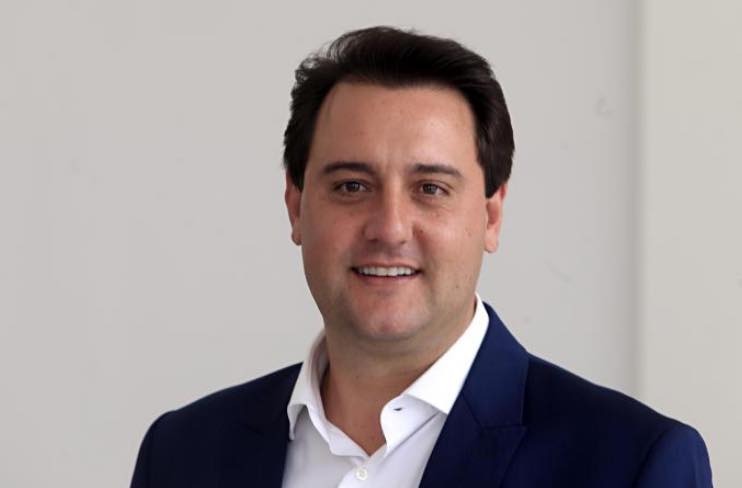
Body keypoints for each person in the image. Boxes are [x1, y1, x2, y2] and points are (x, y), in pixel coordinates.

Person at [130, 26, 712, 487]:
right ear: (295, 207)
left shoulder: (631, 464)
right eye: (351, 186)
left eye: (430, 188)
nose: (389, 227)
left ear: (491, 215)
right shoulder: (182, 455)